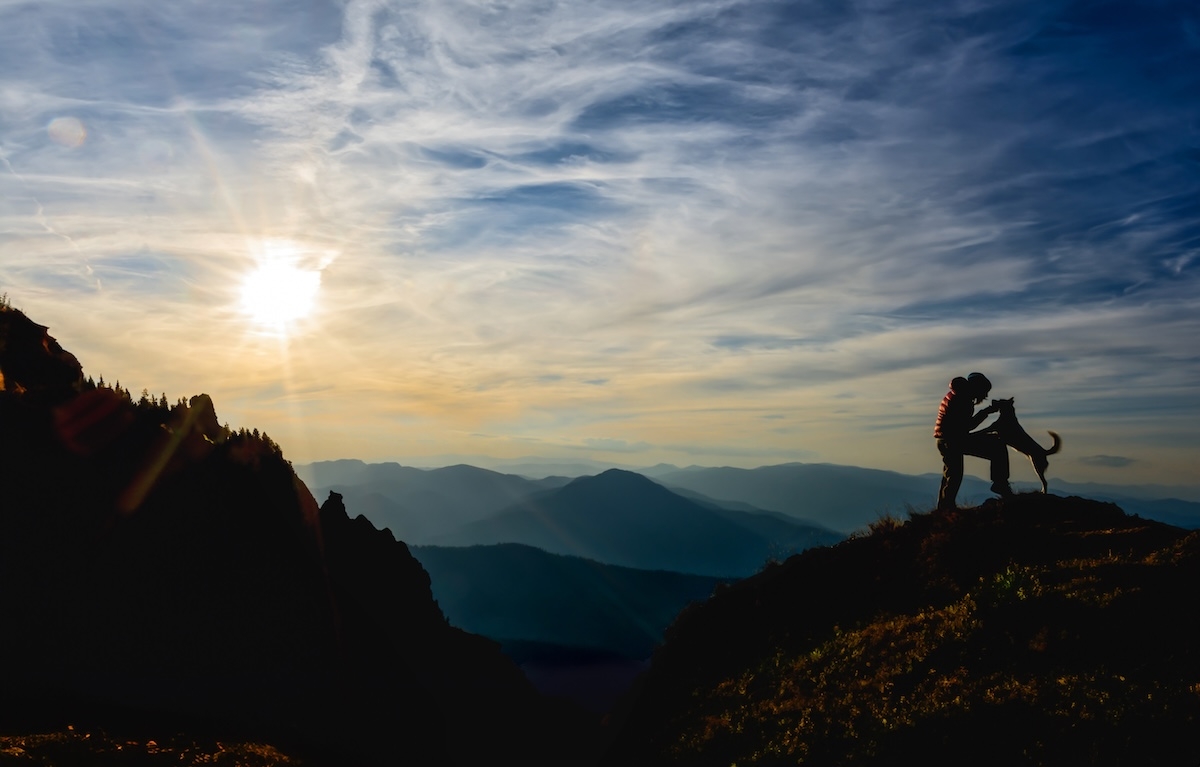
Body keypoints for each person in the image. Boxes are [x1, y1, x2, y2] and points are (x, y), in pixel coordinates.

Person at [934, 372, 1012, 510]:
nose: (986, 396)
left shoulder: (957, 394)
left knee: (951, 473)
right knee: (997, 446)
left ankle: (944, 507)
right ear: (977, 388)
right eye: (985, 392)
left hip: (944, 439)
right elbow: (967, 426)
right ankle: (1000, 483)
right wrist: (986, 412)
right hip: (953, 440)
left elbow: (962, 426)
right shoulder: (963, 399)